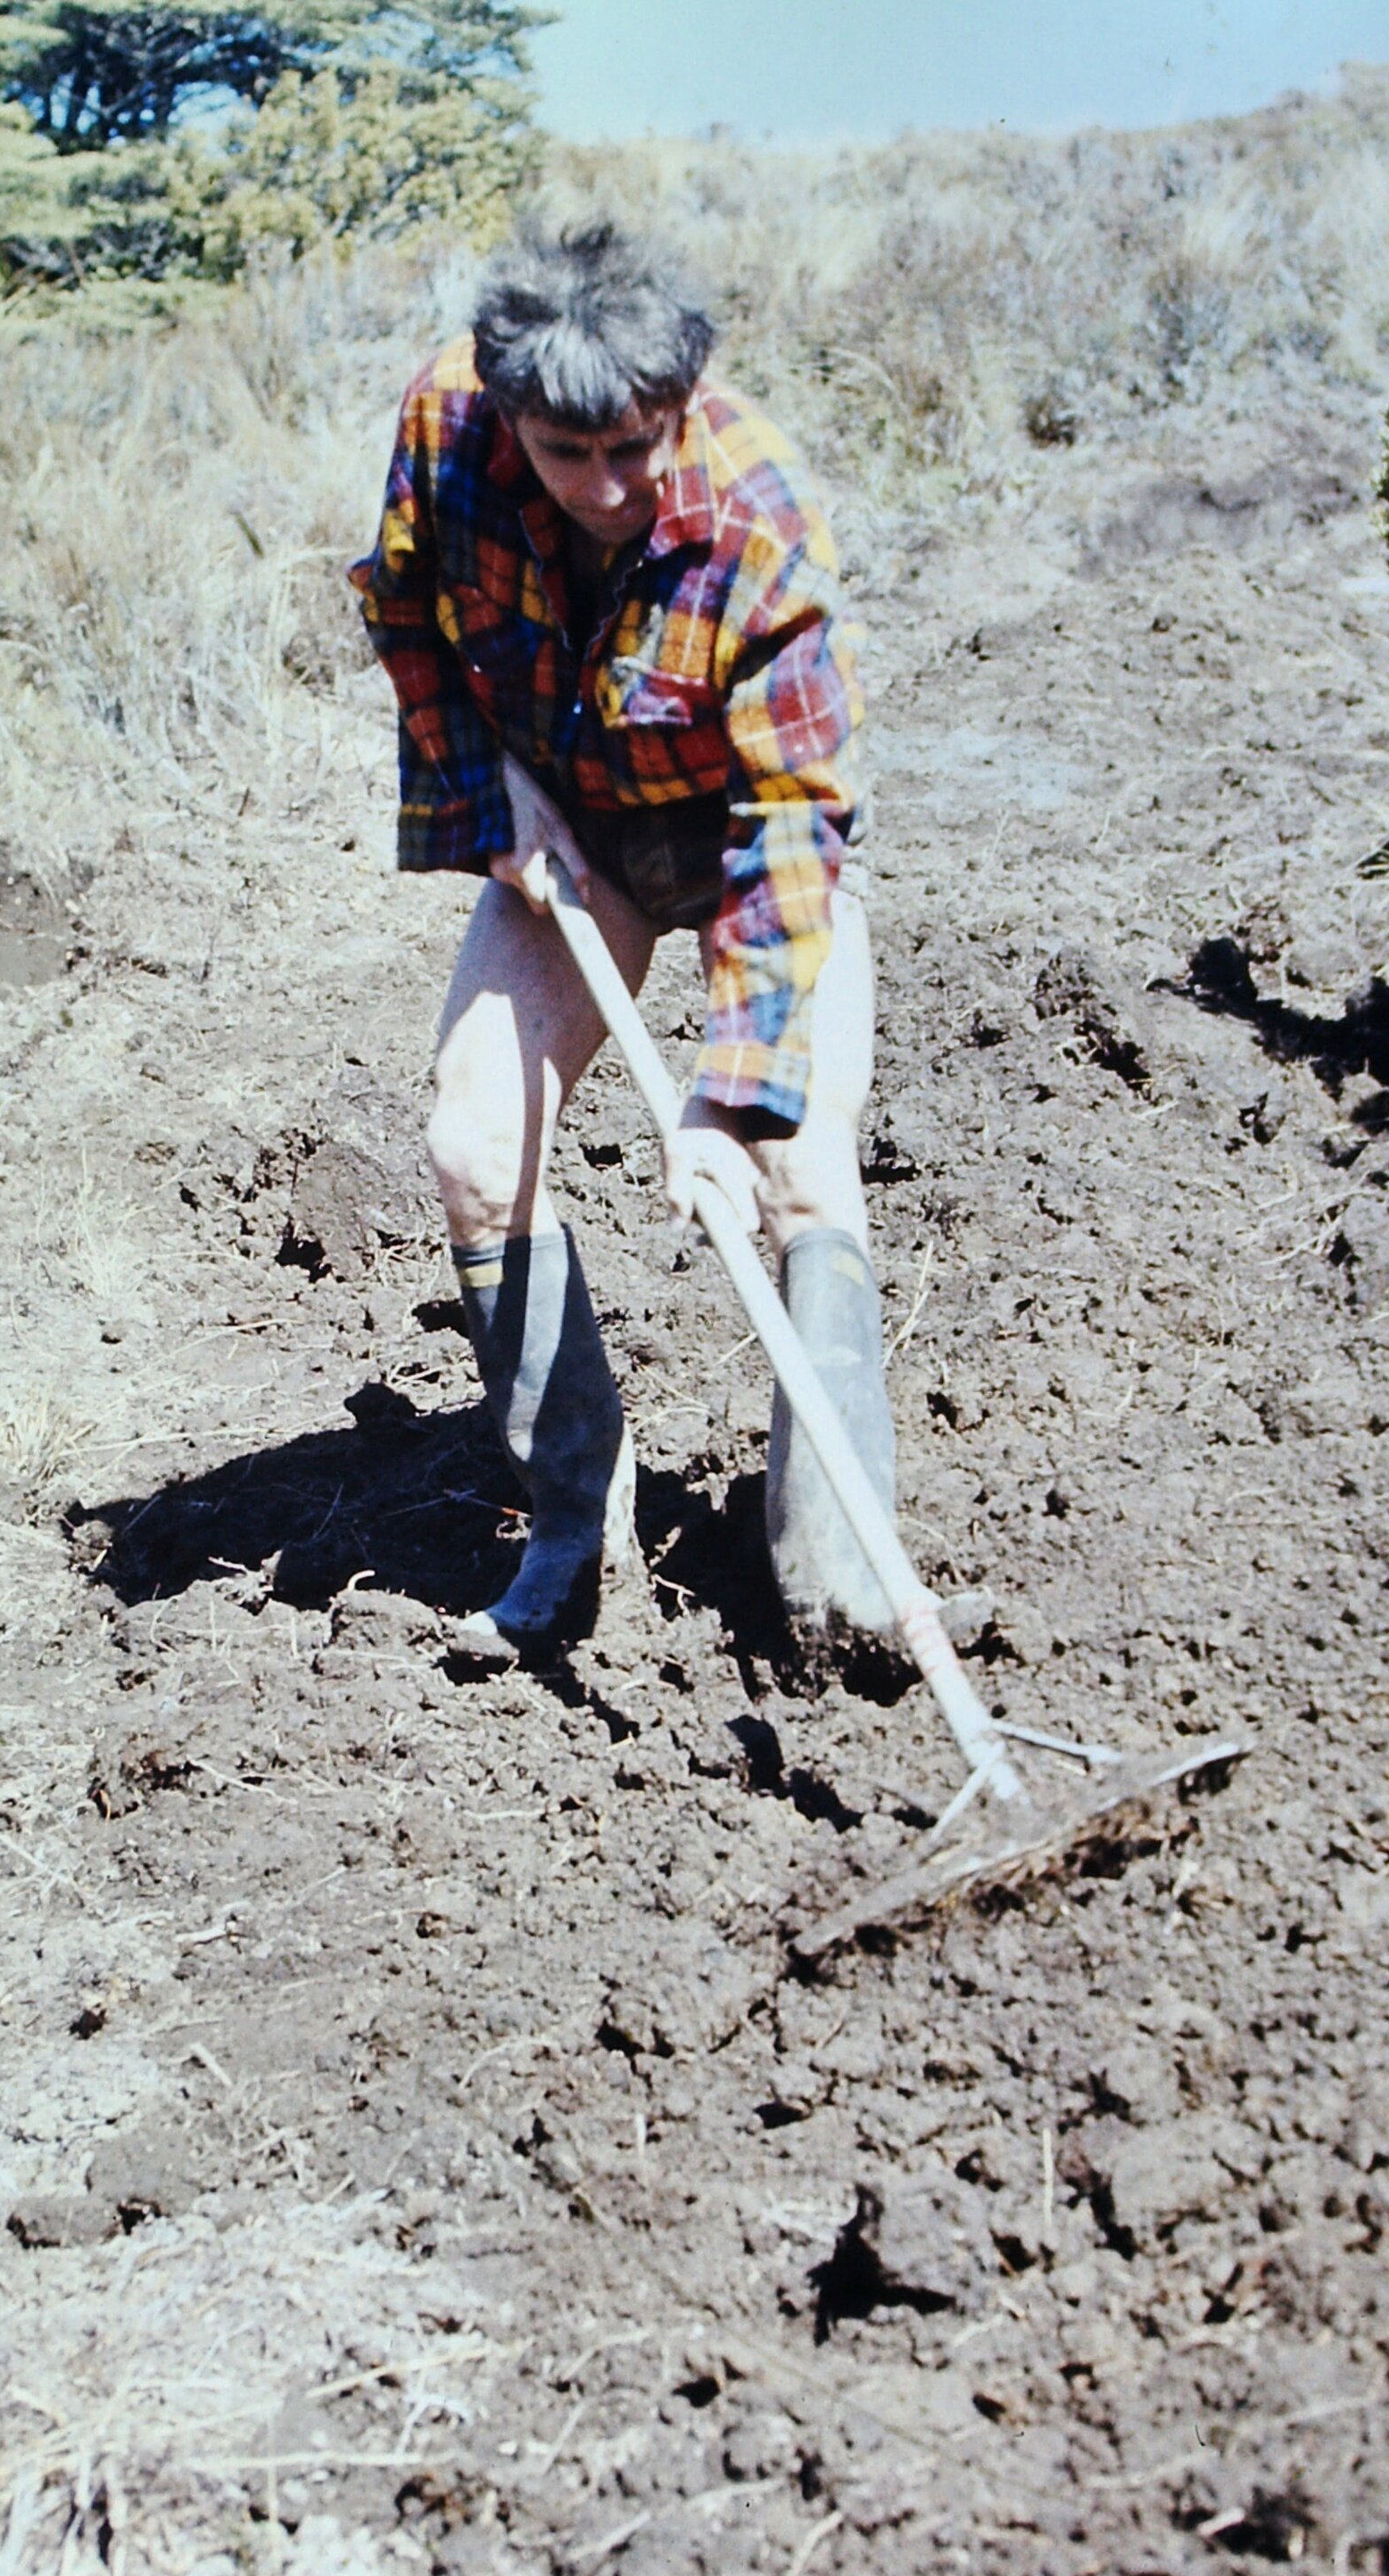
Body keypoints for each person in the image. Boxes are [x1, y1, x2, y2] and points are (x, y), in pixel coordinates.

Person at [350, 219, 896, 1661]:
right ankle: (574, 1522)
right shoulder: (447, 427)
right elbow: (406, 614)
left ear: (684, 401)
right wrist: (485, 785)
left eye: (635, 451)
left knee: (795, 1162)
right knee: (475, 1147)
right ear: (509, 409)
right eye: (565, 454)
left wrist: (721, 1097)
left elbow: (791, 830)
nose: (603, 489)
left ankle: (836, 1577)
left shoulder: (761, 525)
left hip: (733, 843)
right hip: (568, 838)